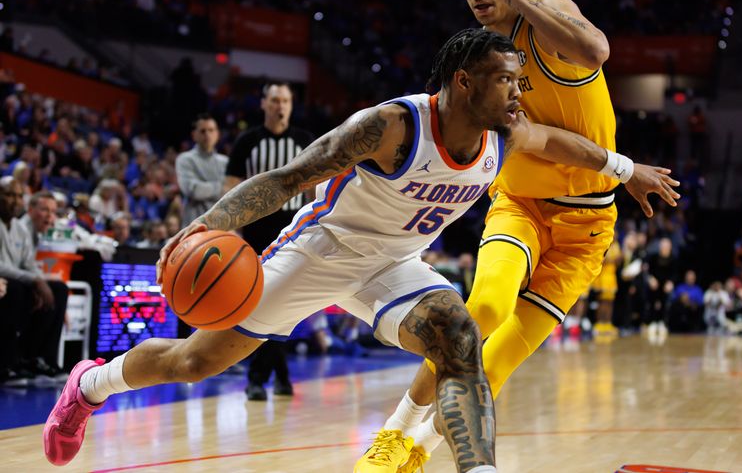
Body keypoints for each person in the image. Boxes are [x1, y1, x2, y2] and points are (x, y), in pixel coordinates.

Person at [43, 28, 677, 472]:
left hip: (394, 266)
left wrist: (627, 169)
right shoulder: (393, 125)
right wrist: (206, 225)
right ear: (464, 81)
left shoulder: (504, 135)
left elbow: (568, 146)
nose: (519, 94)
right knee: (193, 362)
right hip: (321, 251)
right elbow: (288, 178)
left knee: (460, 337)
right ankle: (91, 384)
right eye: (508, 81)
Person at [360, 0, 678, 470]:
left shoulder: (548, 9)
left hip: (588, 225)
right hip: (520, 205)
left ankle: (418, 454)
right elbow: (527, 137)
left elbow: (596, 51)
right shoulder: (473, 59)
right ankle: (392, 436)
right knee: (482, 309)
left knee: (498, 361)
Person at [225, 83, 315, 400]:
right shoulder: (247, 141)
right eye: (275, 100)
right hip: (254, 232)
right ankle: (266, 377)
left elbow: (314, 193)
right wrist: (233, 230)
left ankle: (271, 377)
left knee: (280, 305)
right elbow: (230, 188)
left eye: (286, 100)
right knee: (263, 305)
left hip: (293, 231)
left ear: (292, 105)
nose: (280, 106)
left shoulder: (304, 141)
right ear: (263, 103)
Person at [0, 177, 69, 380]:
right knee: (17, 289)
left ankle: (41, 359)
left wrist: (40, 283)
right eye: (9, 195)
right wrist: (34, 281)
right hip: (7, 285)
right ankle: (6, 364)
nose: (14, 200)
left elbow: (29, 263)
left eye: (19, 196)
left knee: (58, 289)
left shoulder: (19, 229)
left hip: (15, 282)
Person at [175, 114, 228, 228]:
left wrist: (204, 188)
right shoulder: (185, 159)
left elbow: (232, 194)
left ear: (217, 134)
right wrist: (221, 187)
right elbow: (193, 191)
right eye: (203, 131)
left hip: (222, 227)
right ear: (194, 135)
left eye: (211, 130)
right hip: (194, 227)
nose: (207, 134)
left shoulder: (226, 162)